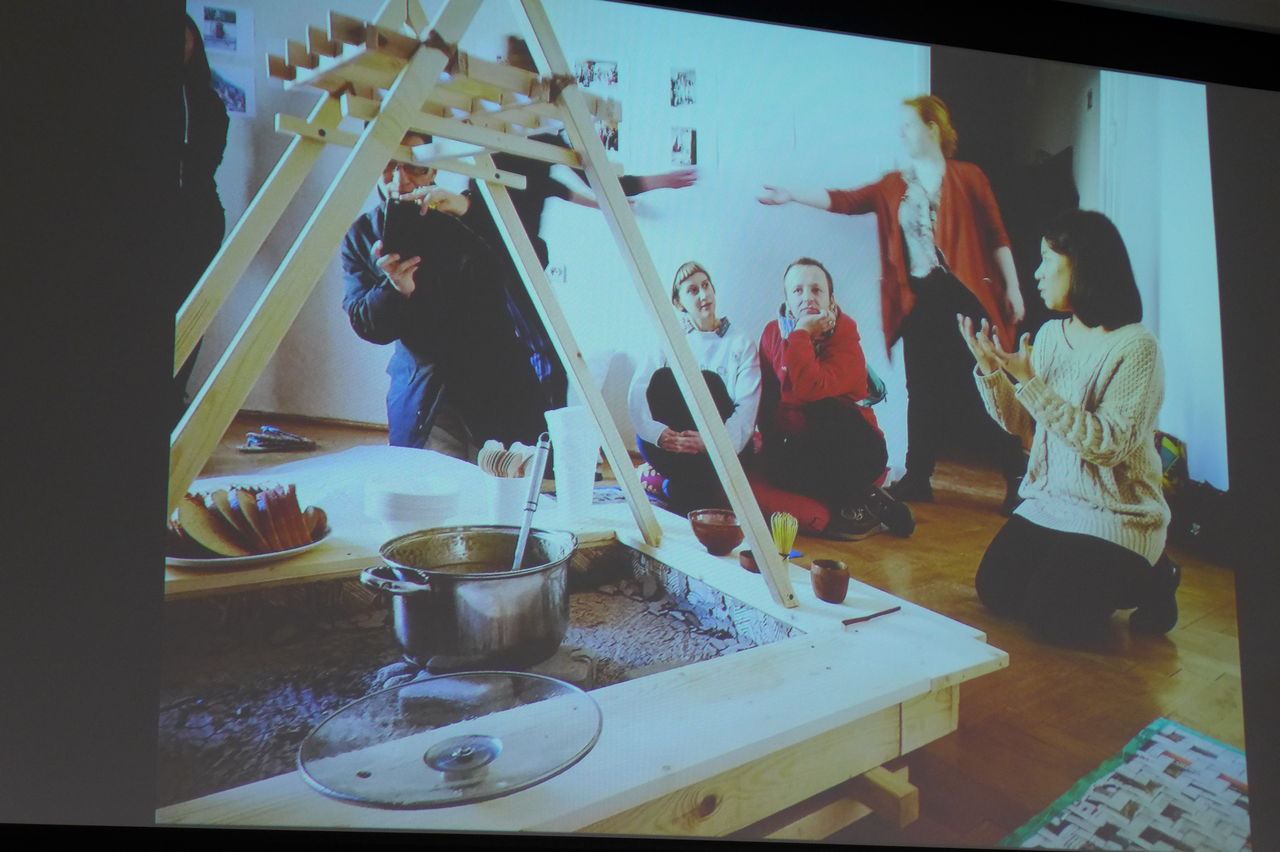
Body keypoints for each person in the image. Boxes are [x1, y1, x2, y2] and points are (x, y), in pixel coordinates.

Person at [759, 95, 1027, 512]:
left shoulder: (969, 176)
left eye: (909, 125)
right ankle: (919, 476)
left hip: (966, 294)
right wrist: (792, 195)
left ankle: (1016, 476)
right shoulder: (893, 184)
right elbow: (846, 201)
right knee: (921, 389)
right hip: (919, 299)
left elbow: (996, 234)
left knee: (986, 382)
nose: (902, 134)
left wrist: (1012, 288)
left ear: (933, 127)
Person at [441, 36, 697, 411]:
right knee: (532, 352)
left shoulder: (545, 136)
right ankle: (541, 435)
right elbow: (533, 191)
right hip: (489, 248)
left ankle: (545, 435)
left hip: (519, 255)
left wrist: (658, 182)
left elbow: (584, 184)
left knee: (545, 354)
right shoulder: (488, 127)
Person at [959, 209, 1177, 643]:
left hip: (1117, 514)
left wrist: (1030, 382)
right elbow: (1022, 422)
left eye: (1046, 259)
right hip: (1052, 502)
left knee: (1054, 618)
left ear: (1081, 263)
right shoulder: (1050, 335)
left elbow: (1107, 445)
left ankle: (1157, 576)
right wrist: (991, 371)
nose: (1037, 273)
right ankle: (1088, 572)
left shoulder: (1137, 346)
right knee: (996, 591)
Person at [340, 132, 548, 456]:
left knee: (502, 482)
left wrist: (469, 211)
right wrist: (395, 289)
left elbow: (533, 263)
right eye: (389, 165)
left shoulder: (467, 215)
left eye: (415, 166)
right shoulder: (362, 235)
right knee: (430, 482)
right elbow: (367, 325)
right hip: (423, 391)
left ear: (434, 169)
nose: (401, 180)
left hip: (497, 383)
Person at [755, 258, 914, 540]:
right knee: (771, 468)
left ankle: (862, 498)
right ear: (787, 300)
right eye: (798, 291)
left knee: (823, 409)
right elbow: (765, 400)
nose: (807, 297)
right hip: (803, 447)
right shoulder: (771, 334)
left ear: (831, 299)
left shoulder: (846, 336)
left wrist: (801, 333)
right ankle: (866, 498)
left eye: (816, 290)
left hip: (854, 449)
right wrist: (769, 444)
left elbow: (810, 389)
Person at [628, 262, 761, 512]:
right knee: (663, 379)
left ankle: (672, 485)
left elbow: (747, 407)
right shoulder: (669, 338)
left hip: (718, 446)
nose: (703, 295)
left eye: (706, 286)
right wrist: (659, 434)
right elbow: (638, 391)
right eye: (692, 290)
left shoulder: (741, 342)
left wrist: (710, 442)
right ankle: (681, 485)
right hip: (675, 444)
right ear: (679, 303)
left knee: (708, 381)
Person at [174, 14, 229, 422]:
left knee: (192, 311)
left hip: (196, 218)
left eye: (183, 39)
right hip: (144, 226)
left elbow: (204, 164)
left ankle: (174, 397)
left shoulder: (208, 102)